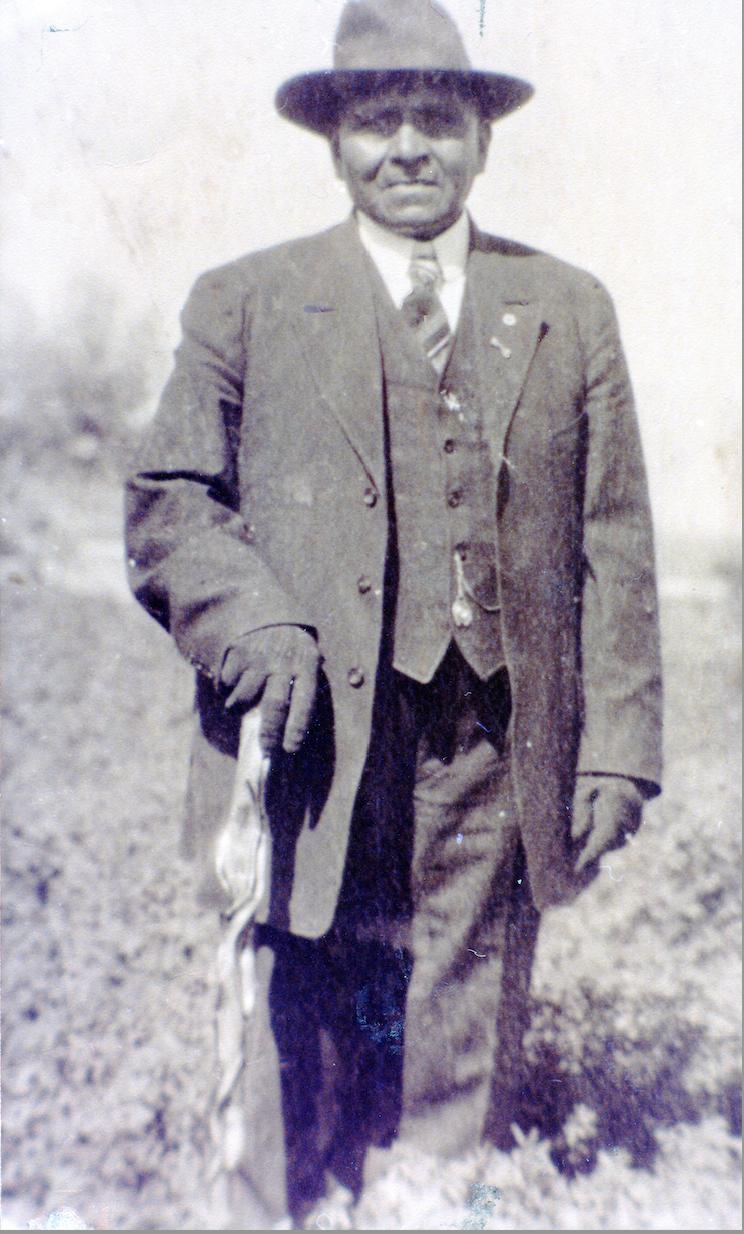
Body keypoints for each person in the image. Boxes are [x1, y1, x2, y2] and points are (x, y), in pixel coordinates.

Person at [125, 0, 663, 1226]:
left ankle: (430, 1190)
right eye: (377, 121)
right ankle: (279, 1196)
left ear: (484, 141)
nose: (408, 145)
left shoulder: (567, 306)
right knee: (299, 958)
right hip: (313, 721)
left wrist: (622, 742)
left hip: (494, 727)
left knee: (468, 973)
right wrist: (250, 621)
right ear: (335, 147)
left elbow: (615, 538)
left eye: (437, 118)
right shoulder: (247, 301)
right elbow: (167, 500)